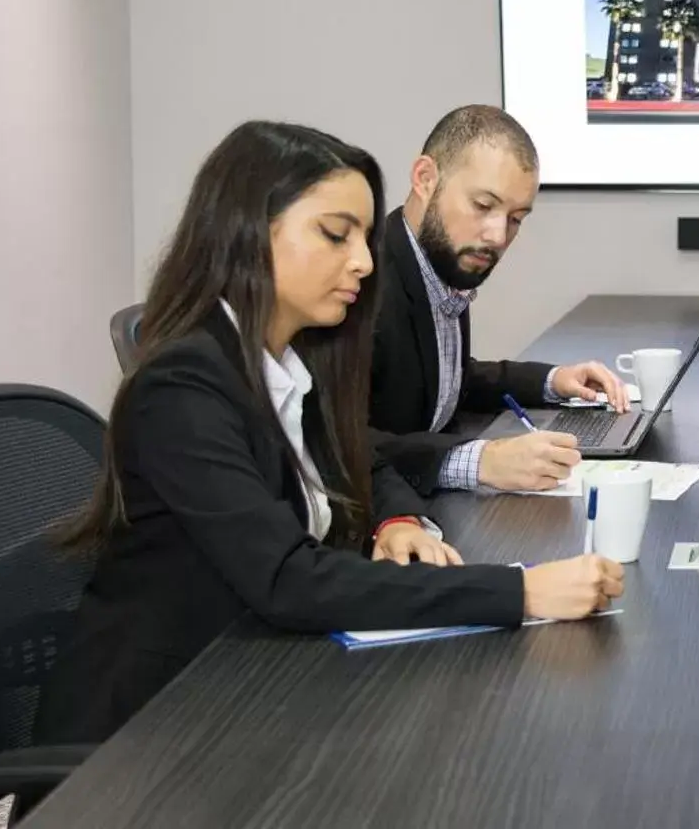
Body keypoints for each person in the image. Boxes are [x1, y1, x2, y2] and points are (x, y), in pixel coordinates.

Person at [38, 121, 623, 746]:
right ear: (246, 232)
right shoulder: (182, 388)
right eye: (335, 235)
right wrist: (522, 589)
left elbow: (360, 458)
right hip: (151, 730)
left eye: (365, 239)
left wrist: (396, 519)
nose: (365, 262)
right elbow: (290, 580)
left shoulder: (291, 361)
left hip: (256, 677)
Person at [370, 106, 632, 496]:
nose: (497, 236)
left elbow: (445, 381)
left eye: (516, 218)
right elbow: (330, 446)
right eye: (483, 206)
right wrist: (480, 461)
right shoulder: (363, 282)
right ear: (425, 179)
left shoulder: (439, 265)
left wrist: (553, 380)